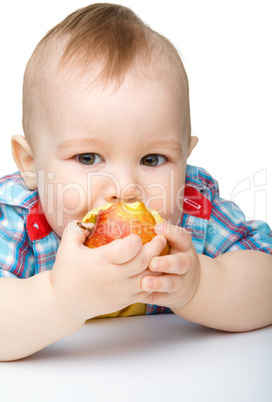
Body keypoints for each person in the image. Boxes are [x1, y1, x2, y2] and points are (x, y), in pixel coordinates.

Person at [0, 3, 271, 361]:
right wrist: (61, 297)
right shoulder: (19, 221)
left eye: (152, 160)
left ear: (185, 160)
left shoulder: (190, 214)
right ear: (31, 165)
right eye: (87, 158)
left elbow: (266, 278)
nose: (126, 187)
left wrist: (201, 285)